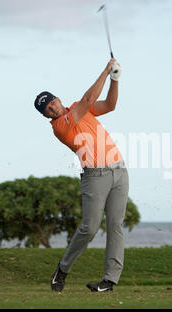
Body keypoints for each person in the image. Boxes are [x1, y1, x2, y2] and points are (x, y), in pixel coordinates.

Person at [34, 58, 129, 292]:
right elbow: (88, 100)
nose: (53, 107)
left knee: (116, 225)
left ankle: (110, 280)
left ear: (57, 98)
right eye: (48, 109)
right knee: (90, 227)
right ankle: (62, 269)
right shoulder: (60, 126)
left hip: (119, 171)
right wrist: (106, 70)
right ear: (47, 115)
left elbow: (109, 105)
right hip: (95, 176)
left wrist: (115, 79)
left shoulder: (79, 107)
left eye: (52, 102)